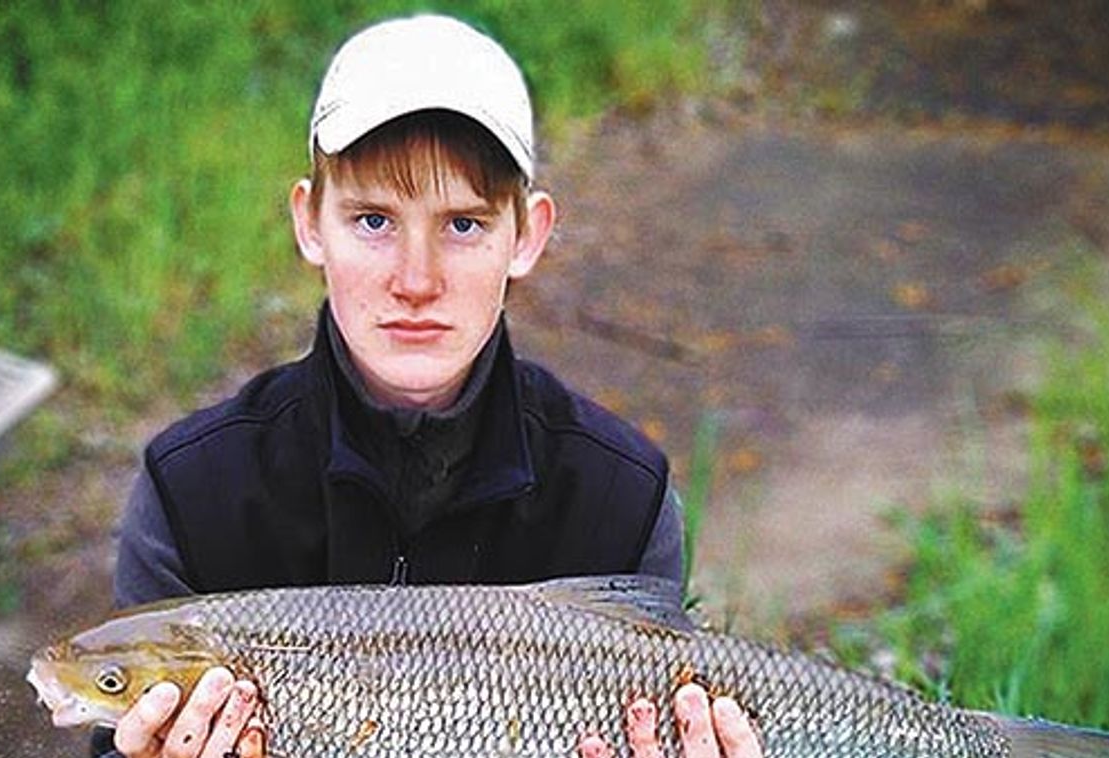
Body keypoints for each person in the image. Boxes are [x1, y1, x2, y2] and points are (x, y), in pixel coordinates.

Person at [94, 14, 763, 758]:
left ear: (528, 235)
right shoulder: (192, 490)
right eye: (374, 219)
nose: (416, 281)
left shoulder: (620, 495)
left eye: (464, 225)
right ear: (310, 223)